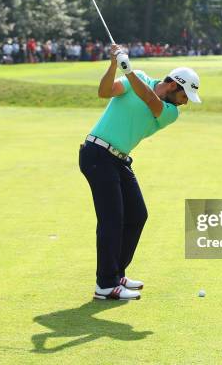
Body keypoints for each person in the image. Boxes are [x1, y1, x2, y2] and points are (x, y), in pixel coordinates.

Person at [79, 44, 201, 300]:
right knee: (112, 220)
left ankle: (116, 273)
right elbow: (104, 92)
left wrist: (129, 69)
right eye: (185, 95)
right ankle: (105, 284)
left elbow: (149, 99)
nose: (185, 102)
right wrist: (114, 64)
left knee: (137, 215)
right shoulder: (140, 78)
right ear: (173, 85)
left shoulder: (170, 112)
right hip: (97, 154)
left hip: (118, 160)